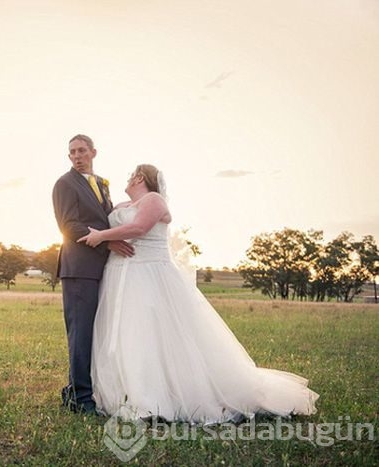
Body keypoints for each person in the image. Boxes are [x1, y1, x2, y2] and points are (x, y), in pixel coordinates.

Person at [78, 164, 319, 423]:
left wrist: (102, 236)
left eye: (130, 175)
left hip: (148, 275)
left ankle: (158, 396)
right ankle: (123, 392)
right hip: (118, 276)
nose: (127, 179)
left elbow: (139, 229)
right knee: (127, 333)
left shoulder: (154, 200)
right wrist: (105, 238)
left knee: (151, 333)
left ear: (139, 177)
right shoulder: (119, 207)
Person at [52, 134, 134, 415]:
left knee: (97, 331)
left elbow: (105, 217)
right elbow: (69, 226)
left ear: (93, 152)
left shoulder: (101, 183)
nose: (77, 155)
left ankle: (74, 389)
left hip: (102, 267)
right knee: (81, 333)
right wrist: (107, 241)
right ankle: (81, 398)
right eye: (72, 151)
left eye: (82, 150)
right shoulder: (64, 184)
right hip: (79, 269)